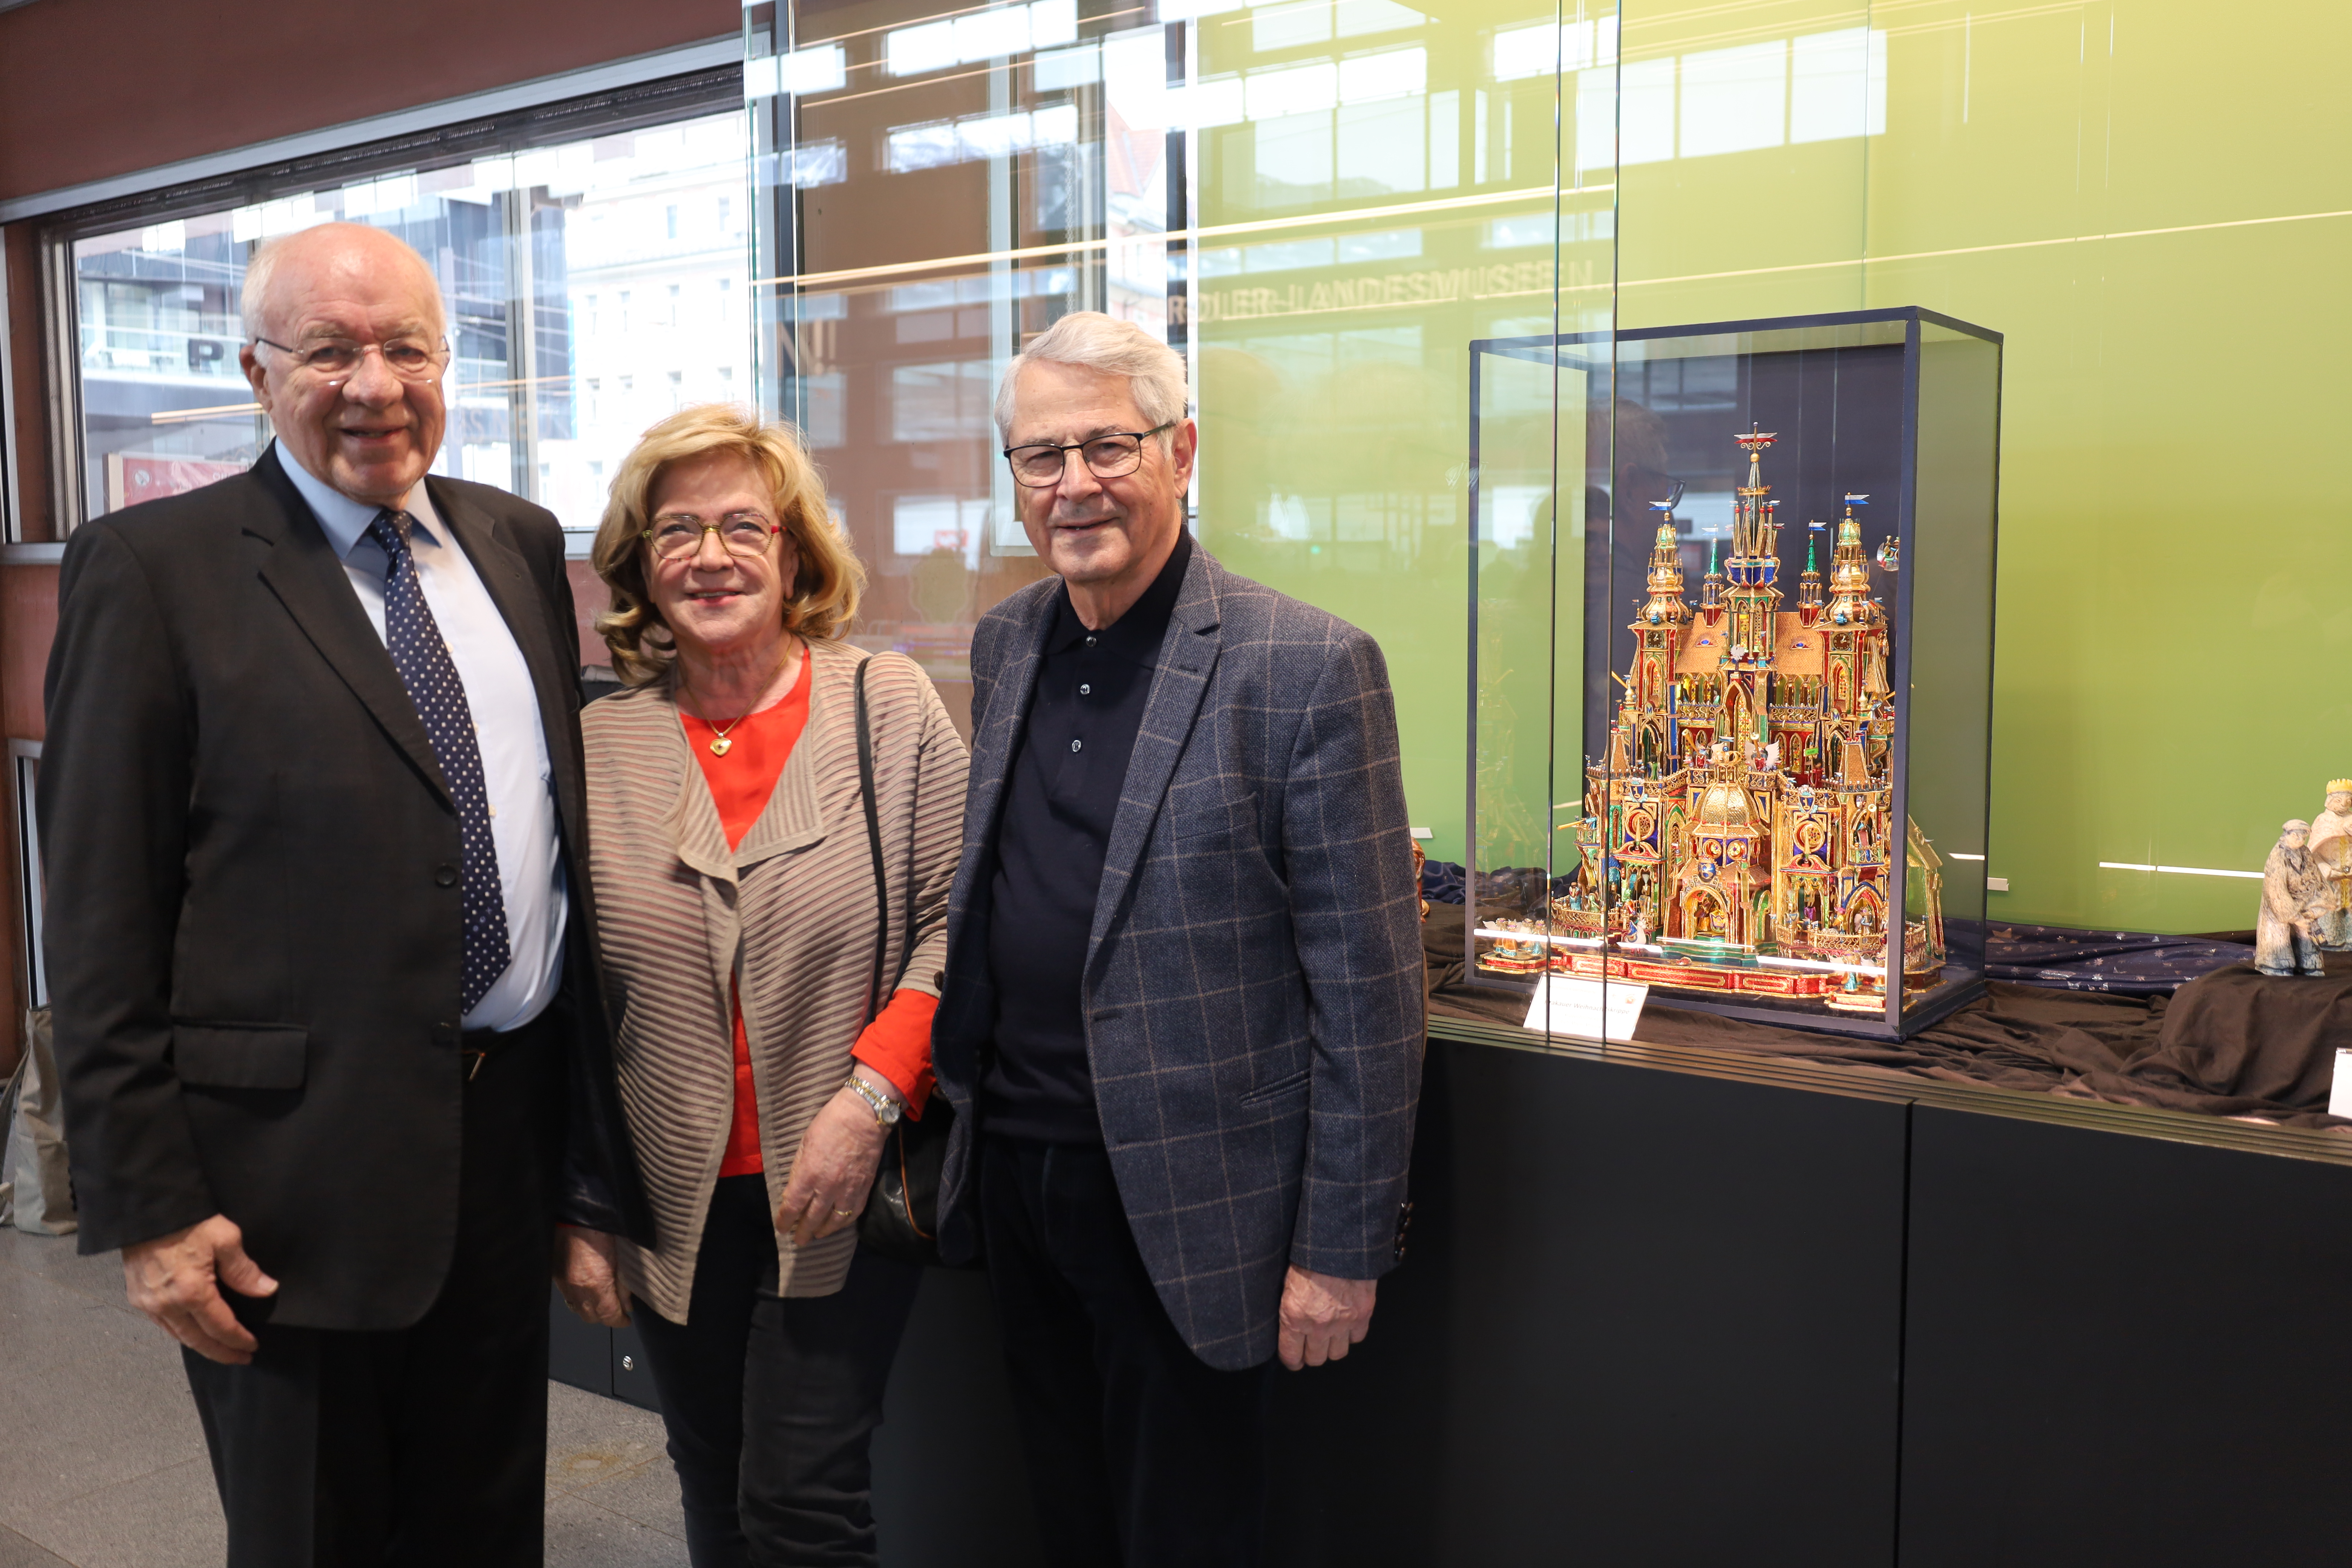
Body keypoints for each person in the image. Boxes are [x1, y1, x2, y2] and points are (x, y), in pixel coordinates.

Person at [38, 222, 648, 1565]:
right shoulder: (153, 572)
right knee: (320, 1535)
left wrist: (581, 1173)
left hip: (500, 1151)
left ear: (449, 364)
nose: (374, 383)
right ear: (261, 373)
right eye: (328, 350)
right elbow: (95, 919)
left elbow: (546, 853)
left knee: (486, 1525)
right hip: (278, 1195)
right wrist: (148, 1208)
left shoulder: (516, 541)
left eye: (407, 347)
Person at [929, 312, 1426, 1565]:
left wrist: (1341, 1251)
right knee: (1068, 1518)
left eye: (1110, 445)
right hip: (1020, 1171)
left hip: (1198, 1199)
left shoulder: (1305, 666)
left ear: (1183, 450)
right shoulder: (1006, 643)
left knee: (1188, 1535)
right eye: (1042, 457)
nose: (1075, 484)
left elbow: (1371, 994)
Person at [555, 406, 968, 1566]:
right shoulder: (600, 743)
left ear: (796, 552)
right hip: (667, 1190)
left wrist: (873, 1094)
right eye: (676, 530)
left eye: (745, 524)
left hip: (842, 1172)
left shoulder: (886, 706)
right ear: (640, 562)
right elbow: (569, 1004)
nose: (711, 555)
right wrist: (581, 1208)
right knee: (714, 1479)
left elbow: (961, 927)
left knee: (803, 1499)